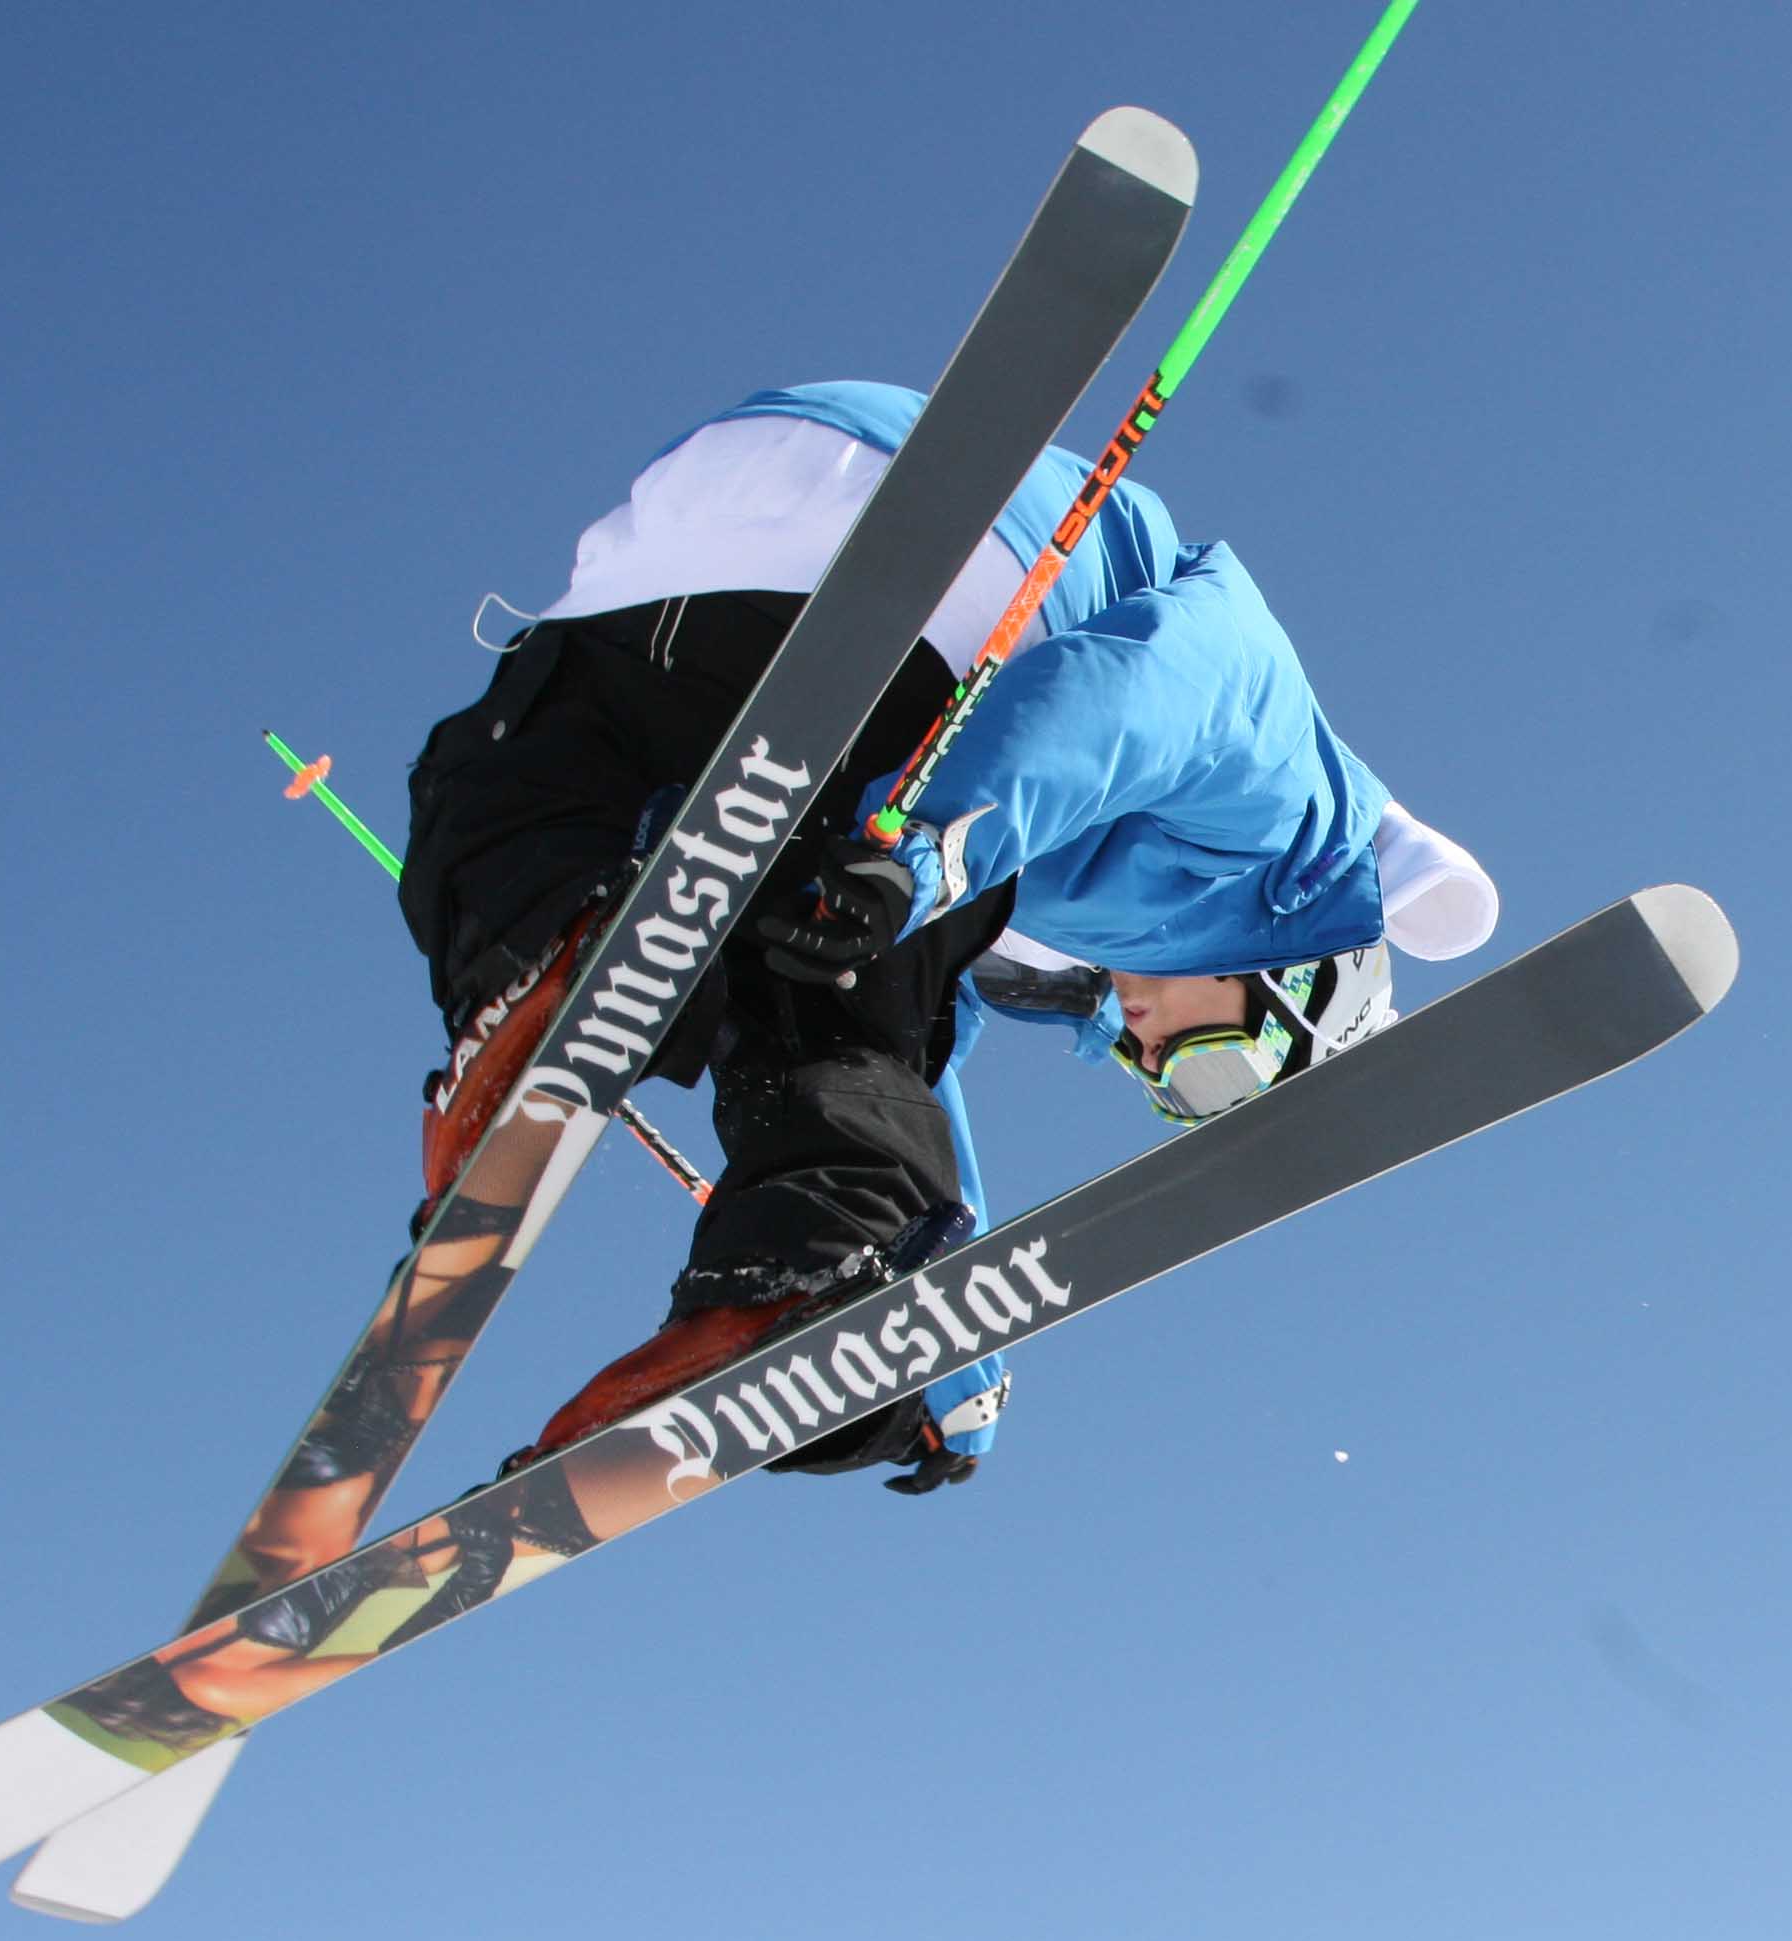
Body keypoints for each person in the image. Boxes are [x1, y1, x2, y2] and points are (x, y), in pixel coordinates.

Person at [398, 381, 1495, 1495]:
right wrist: (930, 846)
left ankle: (532, 976)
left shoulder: (1063, 941)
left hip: (664, 573)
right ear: (1301, 981)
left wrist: (941, 1335)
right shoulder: (1288, 826)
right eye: (1219, 1075)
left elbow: (916, 1067)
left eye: (1167, 1090)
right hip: (949, 568)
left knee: (528, 817)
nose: (1155, 1062)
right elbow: (1137, 696)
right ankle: (822, 1262)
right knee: (851, 969)